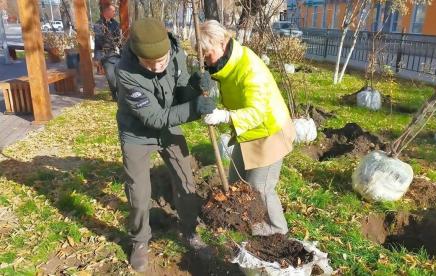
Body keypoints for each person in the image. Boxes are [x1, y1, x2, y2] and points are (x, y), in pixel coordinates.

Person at [116, 18, 215, 272]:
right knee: (139, 194)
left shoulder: (175, 53)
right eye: (150, 64)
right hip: (137, 133)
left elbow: (179, 92)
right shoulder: (126, 72)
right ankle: (139, 241)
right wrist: (194, 109)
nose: (159, 67)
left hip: (169, 127)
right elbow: (154, 117)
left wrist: (195, 87)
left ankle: (190, 232)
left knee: (185, 181)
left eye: (162, 60)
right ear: (138, 56)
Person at [193, 20, 296, 237]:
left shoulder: (249, 67)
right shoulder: (224, 64)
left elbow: (257, 112)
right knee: (236, 183)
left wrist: (224, 116)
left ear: (222, 43)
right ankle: (242, 221)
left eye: (207, 54)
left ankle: (277, 230)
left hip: (269, 131)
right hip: (248, 131)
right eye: (200, 55)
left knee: (260, 187)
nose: (205, 60)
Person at [94, 4, 121, 101]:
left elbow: (119, 39)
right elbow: (97, 42)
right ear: (106, 12)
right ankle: (115, 96)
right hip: (106, 55)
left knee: (119, 76)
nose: (114, 13)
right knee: (111, 78)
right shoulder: (98, 25)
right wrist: (97, 58)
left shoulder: (116, 24)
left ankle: (120, 96)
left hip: (117, 55)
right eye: (113, 11)